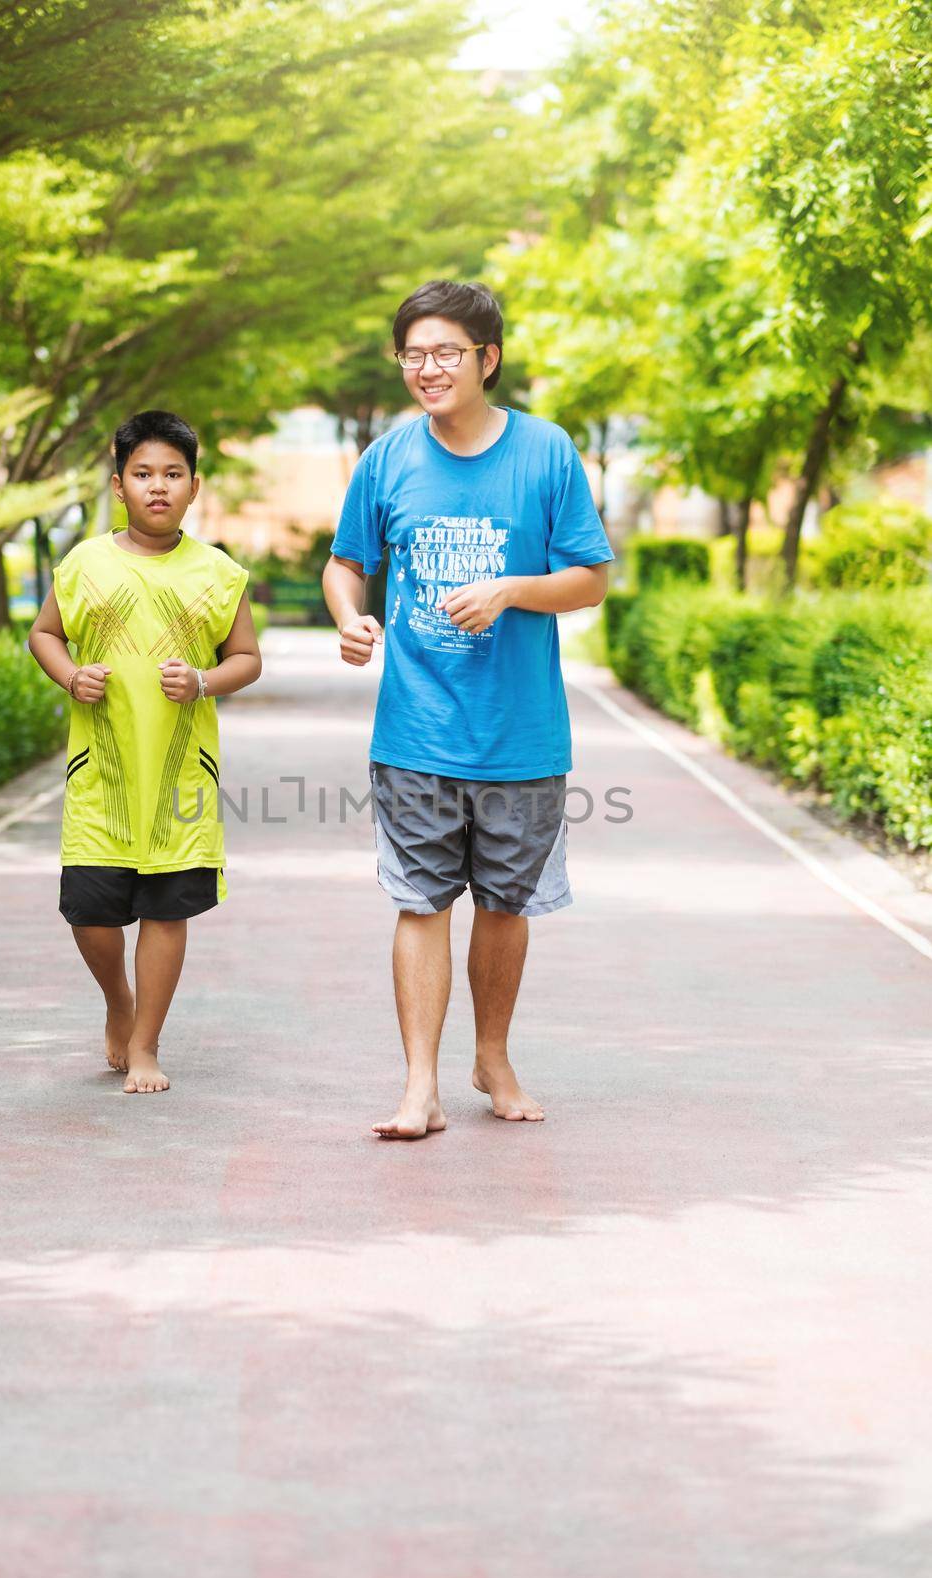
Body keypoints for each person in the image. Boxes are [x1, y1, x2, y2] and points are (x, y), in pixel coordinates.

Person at [322, 280, 615, 1139]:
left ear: (487, 359)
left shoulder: (546, 451)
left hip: (521, 734)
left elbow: (591, 578)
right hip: (415, 728)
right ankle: (420, 1086)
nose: (427, 369)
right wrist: (350, 617)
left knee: (503, 905)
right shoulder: (387, 459)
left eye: (446, 352)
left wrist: (513, 591)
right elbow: (346, 564)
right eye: (413, 355)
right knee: (419, 902)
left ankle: (492, 1055)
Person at [29, 410, 261, 1094]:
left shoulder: (218, 574)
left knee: (166, 908)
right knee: (91, 912)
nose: (157, 486)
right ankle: (118, 1003)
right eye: (142, 474)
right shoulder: (83, 564)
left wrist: (203, 681)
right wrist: (71, 675)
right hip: (98, 771)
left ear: (194, 487)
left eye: (172, 474)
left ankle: (147, 1044)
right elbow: (45, 634)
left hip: (181, 773)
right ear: (118, 485)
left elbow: (245, 658)